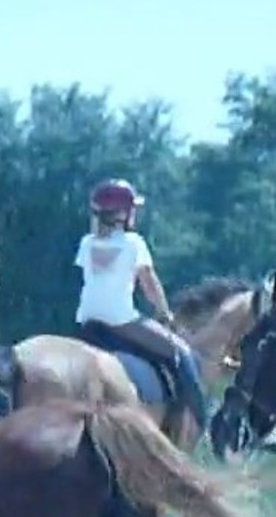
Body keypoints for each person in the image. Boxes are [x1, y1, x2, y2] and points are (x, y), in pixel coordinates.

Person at [74, 178, 207, 430]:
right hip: (121, 320)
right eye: (132, 208)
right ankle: (202, 425)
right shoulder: (134, 243)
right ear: (122, 213)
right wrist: (164, 314)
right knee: (182, 354)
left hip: (87, 320)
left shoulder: (87, 243)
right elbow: (149, 284)